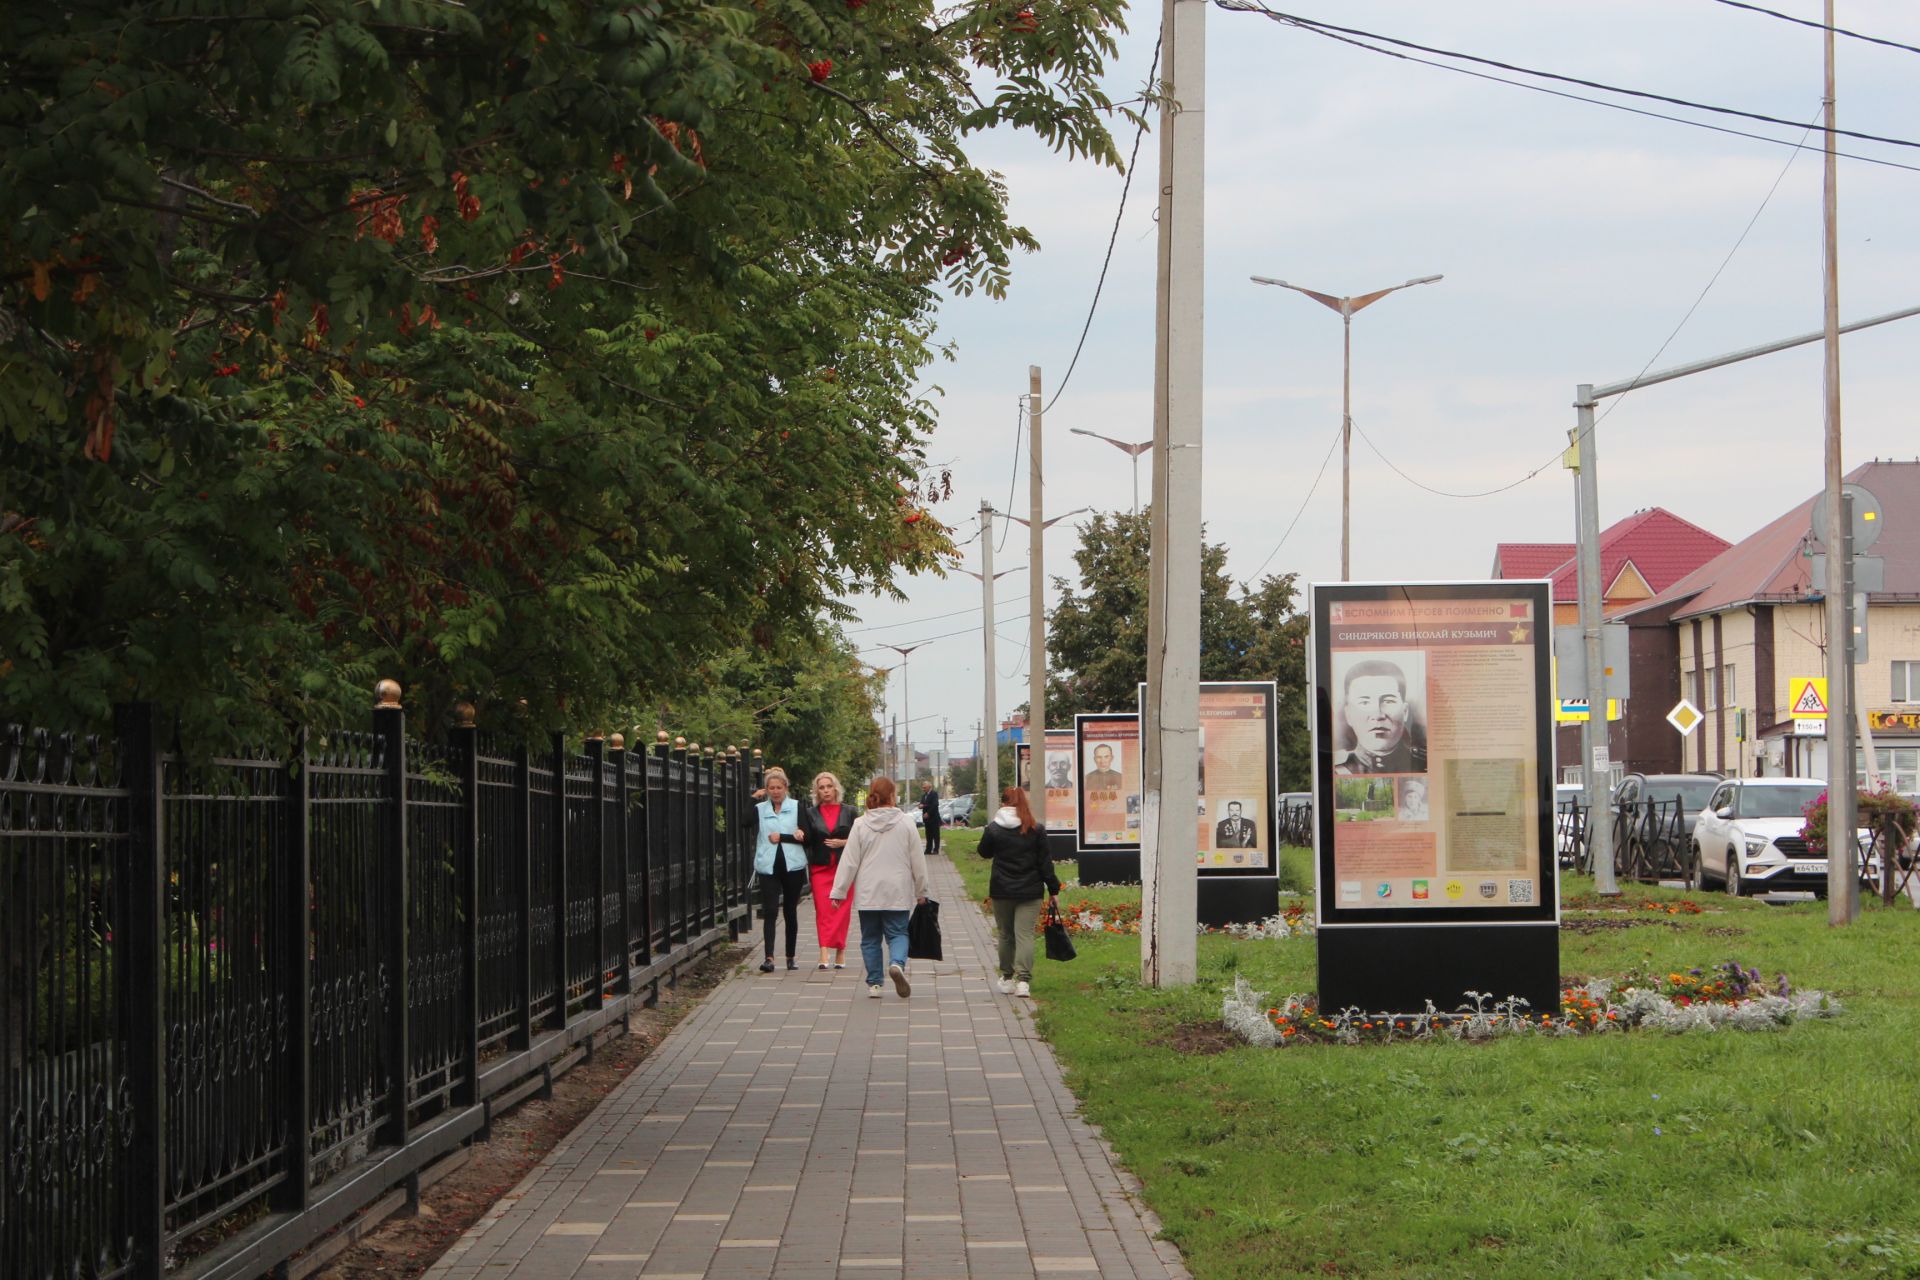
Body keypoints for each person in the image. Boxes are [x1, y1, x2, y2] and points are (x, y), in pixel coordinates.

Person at [830, 777, 930, 998]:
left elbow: (849, 861)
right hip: (897, 890)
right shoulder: (906, 823)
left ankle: (875, 984)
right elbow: (918, 862)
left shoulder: (860, 824)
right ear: (893, 796)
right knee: (898, 933)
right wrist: (922, 891)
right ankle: (896, 964)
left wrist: (839, 891)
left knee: (870, 938)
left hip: (868, 892)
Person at [977, 786, 1060, 998]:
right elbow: (1045, 863)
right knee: (1025, 935)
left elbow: (984, 852)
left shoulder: (994, 828)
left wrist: (991, 831)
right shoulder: (1035, 829)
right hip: (1030, 891)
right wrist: (1053, 889)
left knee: (1006, 935)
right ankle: (1023, 982)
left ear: (1003, 803)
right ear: (1023, 803)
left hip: (1001, 890)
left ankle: (1006, 978)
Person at [751, 768, 807, 973]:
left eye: (779, 787)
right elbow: (743, 822)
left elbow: (807, 835)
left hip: (793, 866)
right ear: (766, 789)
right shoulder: (760, 808)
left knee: (790, 910)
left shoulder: (796, 807)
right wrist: (752, 799)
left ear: (786, 788)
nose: (775, 791)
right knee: (770, 911)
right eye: (771, 788)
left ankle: (790, 957)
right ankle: (769, 958)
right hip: (768, 865)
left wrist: (787, 836)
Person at [800, 771, 857, 970]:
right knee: (823, 910)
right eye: (821, 787)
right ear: (817, 791)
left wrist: (843, 842)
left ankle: (840, 950)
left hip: (844, 869)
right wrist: (799, 834)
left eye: (829, 786)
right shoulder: (810, 813)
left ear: (835, 788)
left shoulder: (849, 811)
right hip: (820, 868)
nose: (825, 791)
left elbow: (861, 839)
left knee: (842, 910)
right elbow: (807, 840)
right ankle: (823, 950)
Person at [1334, 658, 1428, 775]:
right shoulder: (1335, 771)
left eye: (1388, 701)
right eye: (1364, 703)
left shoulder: (1425, 767)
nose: (1378, 715)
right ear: (1348, 715)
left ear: (1405, 712)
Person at [919, 783, 943, 857]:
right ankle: (928, 849)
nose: (923, 789)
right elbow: (922, 803)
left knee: (935, 834)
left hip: (934, 818)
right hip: (926, 819)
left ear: (929, 787)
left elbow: (935, 805)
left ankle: (936, 849)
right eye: (923, 788)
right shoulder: (924, 795)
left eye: (925, 787)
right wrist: (920, 806)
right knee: (928, 834)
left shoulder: (934, 794)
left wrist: (928, 813)